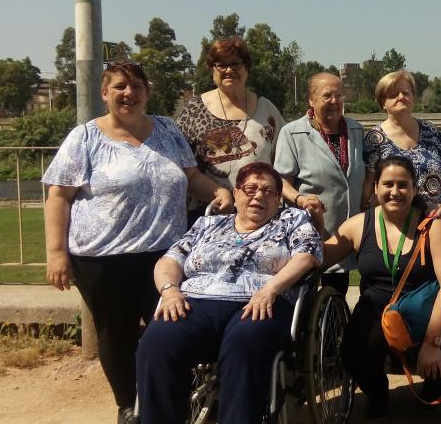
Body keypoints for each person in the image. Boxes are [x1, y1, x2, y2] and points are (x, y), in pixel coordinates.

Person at [43, 61, 232, 424]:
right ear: (105, 93)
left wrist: (218, 191)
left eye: (136, 87)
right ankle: (128, 405)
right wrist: (56, 253)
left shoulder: (167, 130)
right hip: (102, 259)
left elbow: (192, 177)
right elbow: (58, 196)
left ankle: (173, 403)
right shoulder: (85, 138)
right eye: (119, 87)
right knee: (117, 335)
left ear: (147, 93)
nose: (128, 94)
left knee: (174, 327)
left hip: (165, 255)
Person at [136, 162, 321, 423]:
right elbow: (170, 259)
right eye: (250, 189)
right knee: (158, 341)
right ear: (235, 193)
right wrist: (169, 291)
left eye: (268, 191)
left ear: (278, 198)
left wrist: (270, 289)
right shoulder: (207, 224)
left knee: (245, 344)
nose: (258, 196)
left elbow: (307, 255)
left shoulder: (292, 220)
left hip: (261, 301)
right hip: (196, 301)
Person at [325, 156, 441, 418]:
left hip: (425, 313)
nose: (395, 192)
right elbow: (321, 257)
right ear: (375, 187)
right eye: (388, 184)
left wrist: (433, 342)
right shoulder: (358, 225)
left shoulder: (434, 224)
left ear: (414, 188)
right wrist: (316, 225)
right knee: (353, 350)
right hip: (376, 312)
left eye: (403, 185)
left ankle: (429, 397)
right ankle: (377, 393)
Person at [176, 36, 284, 226]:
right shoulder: (193, 110)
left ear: (247, 68)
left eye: (236, 64)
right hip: (207, 217)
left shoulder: (267, 110)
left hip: (260, 218)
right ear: (212, 70)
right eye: (221, 65)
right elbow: (180, 168)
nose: (229, 70)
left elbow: (283, 163)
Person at [274, 72, 365, 296]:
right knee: (305, 298)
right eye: (327, 96)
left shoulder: (356, 130)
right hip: (310, 231)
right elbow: (281, 180)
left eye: (339, 95)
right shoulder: (292, 133)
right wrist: (299, 199)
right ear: (311, 99)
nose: (334, 101)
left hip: (346, 236)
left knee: (337, 296)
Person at [362, 69, 441, 209]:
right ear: (382, 102)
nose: (401, 97)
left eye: (405, 93)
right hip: (396, 217)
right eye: (394, 94)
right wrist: (368, 205)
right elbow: (369, 182)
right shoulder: (374, 138)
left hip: (435, 216)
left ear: (413, 98)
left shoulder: (431, 131)